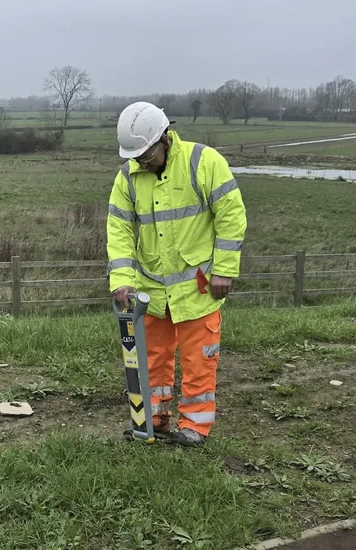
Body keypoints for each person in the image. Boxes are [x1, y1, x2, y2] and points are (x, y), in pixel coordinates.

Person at [106, 101, 247, 447]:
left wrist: (225, 271)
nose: (140, 161)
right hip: (151, 290)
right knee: (151, 359)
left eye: (146, 154)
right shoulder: (128, 176)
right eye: (135, 156)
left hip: (198, 289)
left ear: (164, 138)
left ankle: (194, 428)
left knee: (199, 361)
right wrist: (122, 280)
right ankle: (152, 419)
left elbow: (231, 216)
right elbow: (119, 229)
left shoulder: (204, 162)